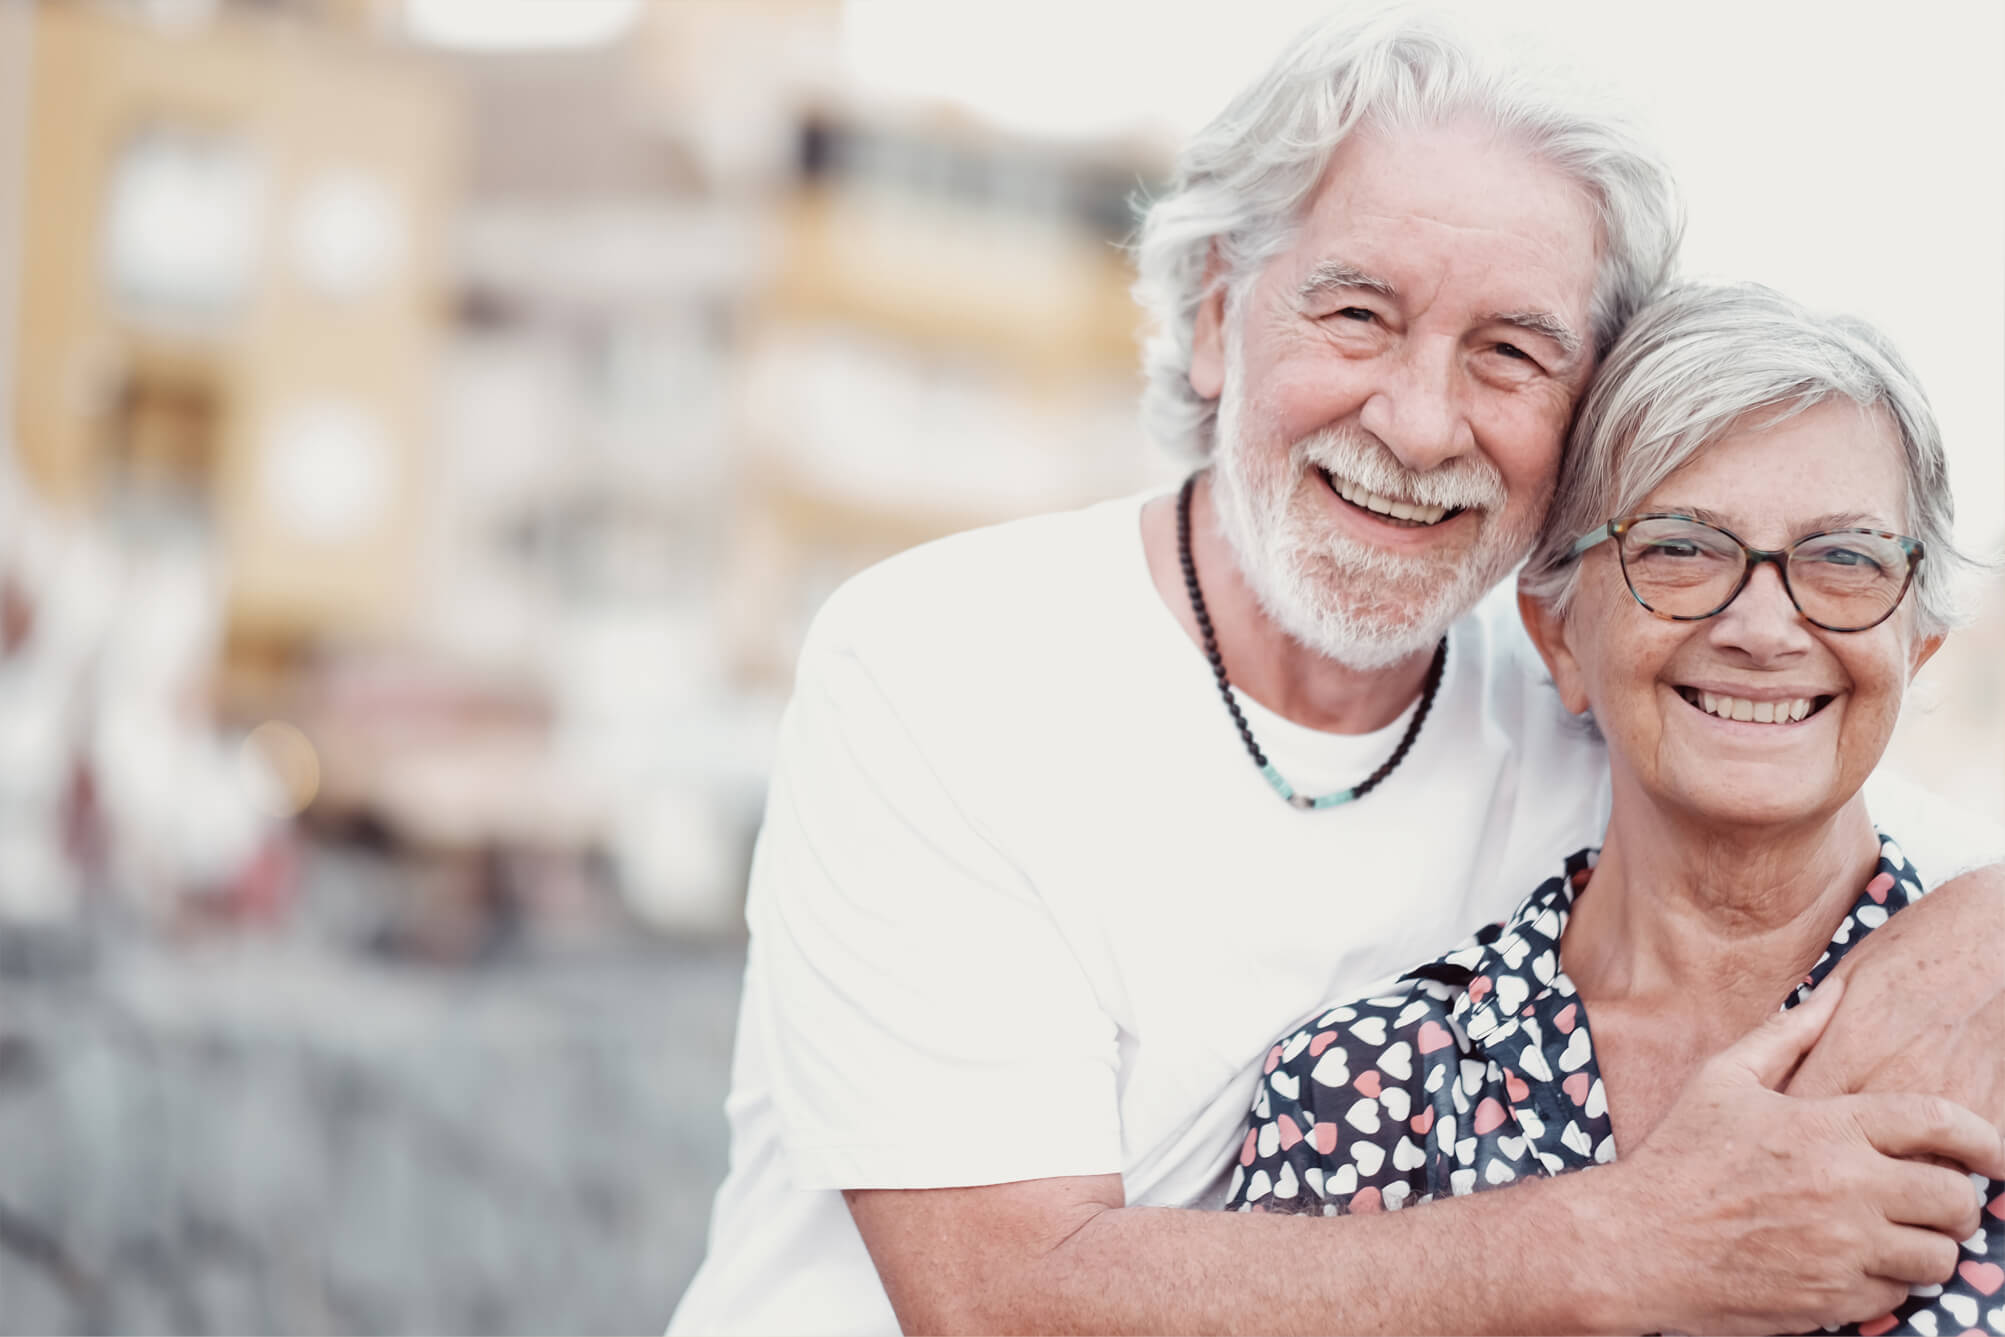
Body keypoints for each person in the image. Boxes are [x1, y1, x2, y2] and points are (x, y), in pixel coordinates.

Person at [670, 13, 2005, 1334]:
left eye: (1510, 351)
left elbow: (1860, 820)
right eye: (1358, 313)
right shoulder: (942, 666)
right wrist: (1632, 1238)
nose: (1420, 423)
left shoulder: (1581, 682)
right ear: (1211, 318)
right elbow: (996, 1303)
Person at [1228, 282, 2004, 1336]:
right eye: (1679, 547)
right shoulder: (1361, 1087)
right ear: (1556, 633)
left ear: (1915, 646)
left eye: (1843, 559)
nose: (1763, 626)